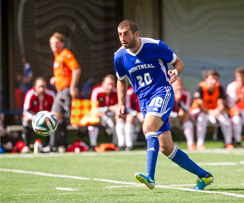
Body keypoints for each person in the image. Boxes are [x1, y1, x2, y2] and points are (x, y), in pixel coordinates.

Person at [114, 19, 213, 191]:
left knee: (148, 127)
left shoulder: (155, 46)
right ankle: (204, 176)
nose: (122, 38)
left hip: (162, 92)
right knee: (166, 148)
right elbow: (121, 81)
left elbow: (178, 63)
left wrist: (174, 72)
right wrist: (121, 103)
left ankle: (150, 177)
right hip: (144, 102)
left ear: (136, 34)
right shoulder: (119, 56)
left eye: (126, 34)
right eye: (120, 34)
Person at [49, 32, 81, 152]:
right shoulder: (57, 57)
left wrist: (73, 86)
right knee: (54, 118)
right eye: (52, 43)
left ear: (62, 43)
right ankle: (53, 146)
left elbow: (76, 69)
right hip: (60, 91)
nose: (54, 45)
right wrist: (56, 79)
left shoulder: (65, 54)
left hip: (66, 91)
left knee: (73, 119)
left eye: (56, 43)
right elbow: (63, 74)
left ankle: (86, 140)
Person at [189, 70, 234, 150]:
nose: (214, 81)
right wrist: (211, 112)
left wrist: (216, 111)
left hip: (215, 112)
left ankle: (229, 142)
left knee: (225, 119)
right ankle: (200, 144)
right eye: (212, 79)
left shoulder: (219, 87)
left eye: (216, 79)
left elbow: (221, 104)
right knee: (201, 119)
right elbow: (201, 105)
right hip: (203, 112)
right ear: (206, 79)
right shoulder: (200, 87)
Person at [88, 74, 125, 151]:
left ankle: (121, 145)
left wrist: (112, 110)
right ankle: (93, 144)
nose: (110, 87)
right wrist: (108, 108)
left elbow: (119, 107)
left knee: (120, 116)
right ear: (103, 83)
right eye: (108, 84)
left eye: (112, 85)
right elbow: (93, 108)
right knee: (92, 118)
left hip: (113, 117)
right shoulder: (96, 91)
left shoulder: (117, 91)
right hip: (100, 117)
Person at [22, 77, 55, 151]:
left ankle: (49, 145)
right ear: (35, 87)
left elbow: (55, 110)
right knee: (25, 119)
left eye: (43, 87)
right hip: (33, 118)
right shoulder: (30, 94)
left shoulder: (51, 94)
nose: (42, 89)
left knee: (56, 120)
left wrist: (47, 117)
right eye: (39, 87)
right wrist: (36, 118)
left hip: (47, 118)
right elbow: (26, 111)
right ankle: (26, 146)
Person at [170, 78, 195, 150]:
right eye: (177, 85)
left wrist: (180, 101)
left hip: (181, 117)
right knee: (167, 117)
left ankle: (190, 144)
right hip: (169, 116)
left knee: (186, 116)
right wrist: (175, 99)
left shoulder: (186, 93)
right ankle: (166, 143)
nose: (179, 87)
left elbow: (187, 109)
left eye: (180, 85)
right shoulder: (166, 93)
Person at [226, 67, 244, 147]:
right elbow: (230, 104)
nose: (240, 78)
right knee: (237, 119)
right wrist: (237, 99)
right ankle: (238, 141)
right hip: (236, 111)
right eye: (238, 76)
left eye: (242, 76)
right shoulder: (232, 86)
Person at [125, 86, 144, 150]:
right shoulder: (130, 92)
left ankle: (153, 144)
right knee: (129, 117)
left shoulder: (149, 89)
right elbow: (127, 108)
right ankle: (129, 145)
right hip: (134, 115)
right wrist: (137, 114)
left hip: (146, 115)